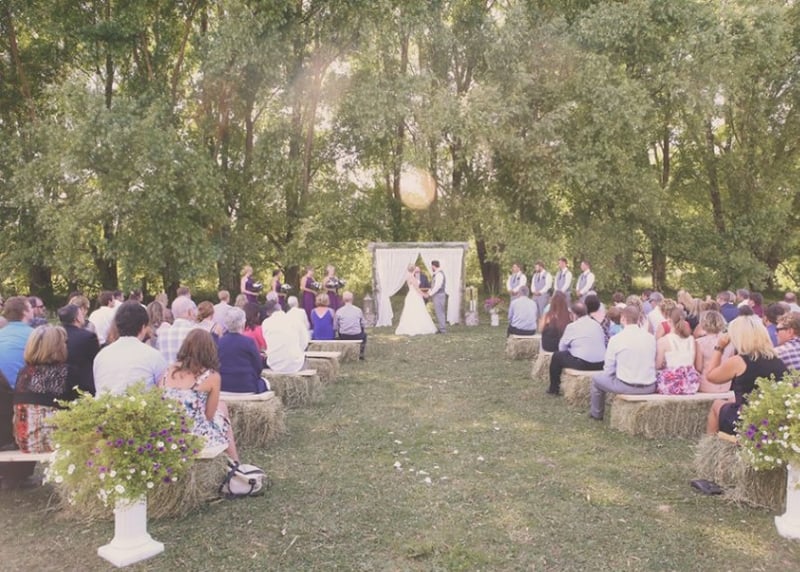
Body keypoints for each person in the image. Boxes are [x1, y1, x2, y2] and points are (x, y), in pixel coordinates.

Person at [159, 330, 238, 462]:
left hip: (167, 433)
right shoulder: (211, 376)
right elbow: (209, 416)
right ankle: (235, 462)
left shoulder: (168, 371)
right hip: (194, 436)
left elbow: (159, 400)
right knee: (223, 413)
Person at [705, 315, 787, 435]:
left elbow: (711, 376)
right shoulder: (776, 359)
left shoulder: (739, 361)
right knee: (731, 399)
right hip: (771, 417)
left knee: (717, 404)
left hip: (748, 420)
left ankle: (710, 442)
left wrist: (719, 347)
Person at [589, 305, 657, 420]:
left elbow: (608, 369)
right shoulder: (651, 338)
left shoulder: (616, 339)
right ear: (639, 319)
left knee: (597, 379)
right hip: (650, 386)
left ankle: (596, 414)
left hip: (626, 385)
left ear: (623, 319)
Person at [12, 325, 71, 453]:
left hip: (26, 443)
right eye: (64, 343)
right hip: (55, 444)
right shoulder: (67, 372)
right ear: (58, 347)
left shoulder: (23, 373)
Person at [93, 301, 168, 394]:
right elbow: (164, 390)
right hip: (141, 402)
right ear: (143, 327)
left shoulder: (101, 356)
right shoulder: (155, 357)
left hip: (105, 402)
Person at [547, 295, 606, 395]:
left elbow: (561, 348)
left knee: (557, 356)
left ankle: (554, 389)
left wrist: (572, 349)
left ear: (573, 315)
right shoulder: (597, 325)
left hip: (584, 363)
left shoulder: (572, 326)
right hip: (601, 363)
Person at [218, 307, 269, 394]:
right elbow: (258, 366)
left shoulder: (219, 342)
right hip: (246, 386)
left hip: (223, 386)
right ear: (243, 323)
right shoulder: (248, 342)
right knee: (265, 383)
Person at [654, 308, 699, 394]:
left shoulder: (663, 340)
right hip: (691, 384)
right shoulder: (691, 339)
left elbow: (658, 365)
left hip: (671, 384)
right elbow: (691, 362)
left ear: (669, 321)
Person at [58, 304, 100, 396]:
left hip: (59, 383)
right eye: (81, 314)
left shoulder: (54, 336)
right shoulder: (88, 337)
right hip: (83, 385)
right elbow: (96, 360)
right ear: (77, 318)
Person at [262, 300, 307, 373]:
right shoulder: (294, 319)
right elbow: (305, 340)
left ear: (267, 313)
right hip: (296, 363)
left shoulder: (265, 323)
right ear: (280, 308)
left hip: (274, 364)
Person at [694, 310, 734, 393]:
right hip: (725, 385)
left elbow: (699, 368)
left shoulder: (699, 343)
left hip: (707, 385)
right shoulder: (730, 342)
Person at [0, 297, 34, 389]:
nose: (32, 310)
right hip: (23, 389)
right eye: (31, 307)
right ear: (25, 312)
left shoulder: (1, 333)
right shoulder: (34, 334)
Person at [396, 264, 437, 336]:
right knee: (418, 310)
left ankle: (409, 326)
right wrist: (424, 295)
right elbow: (417, 289)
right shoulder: (412, 278)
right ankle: (417, 327)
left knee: (410, 311)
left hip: (410, 295)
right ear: (414, 269)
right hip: (415, 296)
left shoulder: (408, 277)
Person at [157, 296, 200, 364]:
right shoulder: (196, 333)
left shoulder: (162, 334)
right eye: (194, 309)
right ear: (190, 312)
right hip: (188, 370)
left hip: (168, 370)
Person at [334, 291, 367, 360]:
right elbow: (363, 324)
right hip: (357, 335)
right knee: (364, 335)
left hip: (344, 335)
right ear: (352, 299)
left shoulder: (339, 311)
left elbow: (335, 326)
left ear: (343, 300)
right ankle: (361, 353)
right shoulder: (358, 310)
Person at [427, 260, 447, 334]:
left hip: (439, 295)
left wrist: (430, 294)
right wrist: (430, 291)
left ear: (433, 266)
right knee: (439, 312)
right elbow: (434, 285)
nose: (431, 268)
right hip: (438, 295)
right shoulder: (437, 274)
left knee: (440, 312)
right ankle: (441, 328)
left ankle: (442, 329)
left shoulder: (439, 274)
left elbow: (437, 286)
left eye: (431, 266)